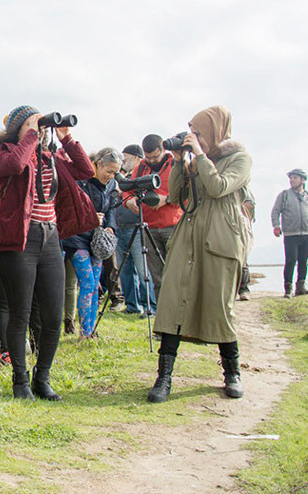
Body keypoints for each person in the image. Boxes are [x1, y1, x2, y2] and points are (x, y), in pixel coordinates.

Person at [0, 105, 97, 401]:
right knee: (20, 313)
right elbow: (15, 166)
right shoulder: (6, 153)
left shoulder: (51, 158)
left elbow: (87, 171)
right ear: (18, 129)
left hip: (49, 237)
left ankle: (42, 378)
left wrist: (66, 138)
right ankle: (20, 380)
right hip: (18, 240)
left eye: (40, 126)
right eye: (32, 125)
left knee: (52, 315)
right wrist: (32, 134)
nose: (40, 130)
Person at [148, 105, 252, 403]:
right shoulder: (194, 161)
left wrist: (200, 157)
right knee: (173, 301)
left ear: (214, 132)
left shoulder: (240, 158)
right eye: (191, 132)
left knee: (219, 305)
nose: (193, 137)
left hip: (220, 238)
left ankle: (232, 373)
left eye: (198, 133)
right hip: (189, 235)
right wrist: (178, 161)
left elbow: (219, 187)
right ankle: (164, 377)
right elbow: (177, 195)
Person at [62, 148, 120, 339]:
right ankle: (85, 332)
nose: (111, 176)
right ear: (98, 164)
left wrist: (110, 226)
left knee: (95, 285)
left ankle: (90, 329)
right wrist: (89, 216)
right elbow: (69, 206)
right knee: (87, 283)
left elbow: (111, 208)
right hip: (76, 238)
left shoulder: (111, 185)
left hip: (97, 241)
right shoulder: (81, 180)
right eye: (109, 171)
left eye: (115, 173)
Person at [122, 134, 183, 306]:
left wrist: (168, 199)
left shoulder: (175, 165)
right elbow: (128, 189)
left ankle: (179, 315)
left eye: (155, 157)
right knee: (157, 276)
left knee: (176, 273)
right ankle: (162, 314)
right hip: (149, 228)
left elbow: (188, 195)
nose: (151, 161)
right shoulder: (141, 167)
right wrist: (129, 201)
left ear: (163, 150)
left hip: (172, 226)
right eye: (148, 157)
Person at [115, 144, 156, 315]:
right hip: (120, 227)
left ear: (136, 158)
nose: (123, 160)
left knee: (142, 269)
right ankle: (132, 305)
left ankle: (150, 306)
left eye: (126, 157)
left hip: (137, 228)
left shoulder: (143, 177)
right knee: (125, 270)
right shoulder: (123, 178)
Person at [271, 168, 308, 298]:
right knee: (291, 260)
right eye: (290, 178)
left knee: (303, 261)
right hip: (290, 234)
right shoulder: (284, 195)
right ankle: (288, 288)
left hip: (306, 233)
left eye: (294, 178)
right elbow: (275, 211)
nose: (291, 180)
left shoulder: (307, 195)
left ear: (302, 180)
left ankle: (301, 287)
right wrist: (276, 226)